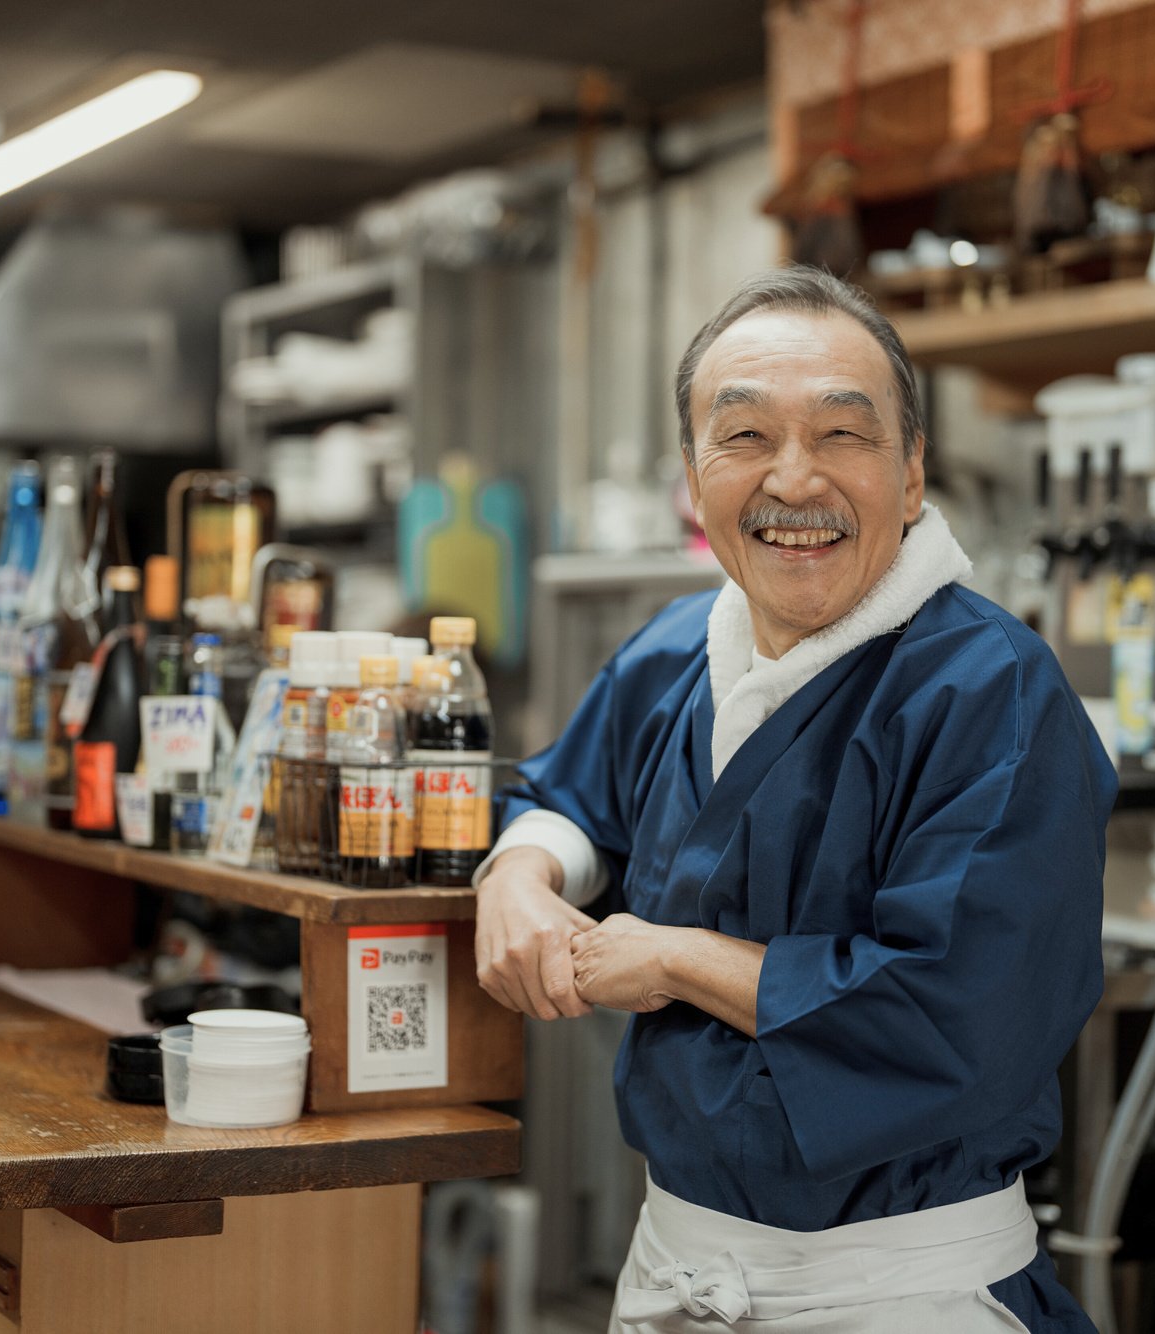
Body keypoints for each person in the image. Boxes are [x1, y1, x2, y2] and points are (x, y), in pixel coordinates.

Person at [473, 265, 1114, 1332]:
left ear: (911, 475)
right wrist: (520, 874)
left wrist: (674, 954)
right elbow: (566, 797)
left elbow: (955, 1009)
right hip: (676, 1265)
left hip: (903, 1292)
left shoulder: (987, 688)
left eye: (841, 435)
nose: (793, 478)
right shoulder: (677, 648)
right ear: (692, 479)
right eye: (743, 437)